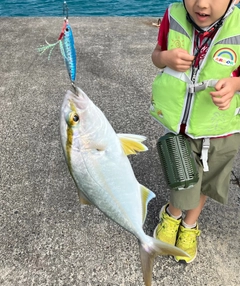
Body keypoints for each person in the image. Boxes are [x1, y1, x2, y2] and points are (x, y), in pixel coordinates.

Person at [150, 0, 240, 263]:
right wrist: (164, 58)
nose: (201, 4)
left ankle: (189, 225)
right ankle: (172, 216)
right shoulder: (173, 14)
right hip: (183, 128)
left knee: (206, 184)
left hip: (222, 128)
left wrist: (234, 84)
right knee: (183, 179)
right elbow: (156, 54)